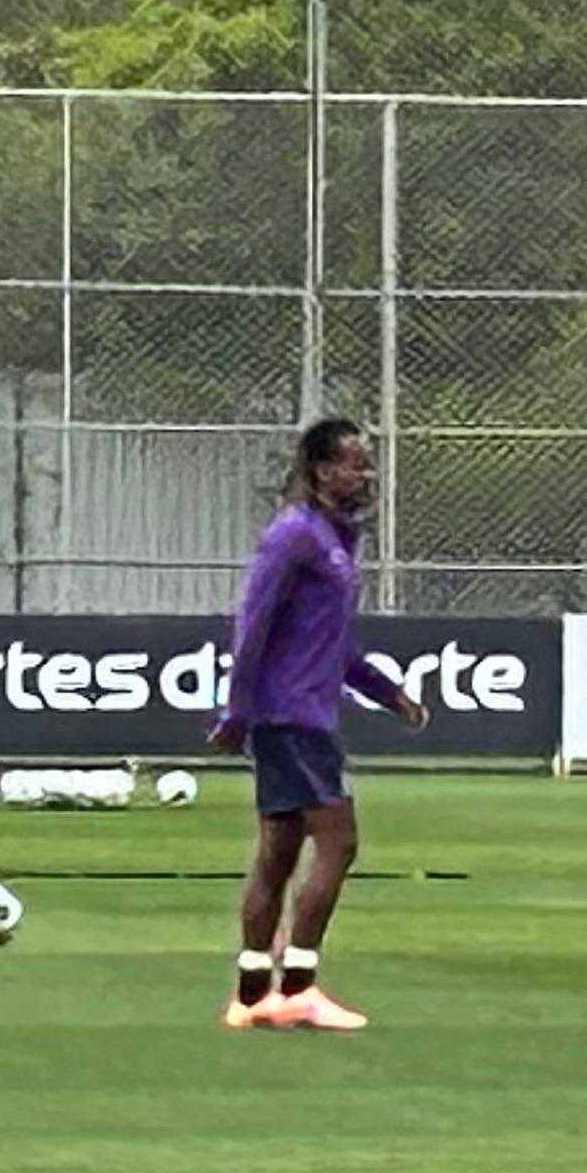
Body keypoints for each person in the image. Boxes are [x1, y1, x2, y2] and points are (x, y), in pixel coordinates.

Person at [208, 419, 428, 1032]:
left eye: (368, 463)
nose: (367, 475)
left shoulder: (333, 539)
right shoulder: (295, 535)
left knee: (279, 850)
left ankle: (253, 994)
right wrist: (237, 710)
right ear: (323, 470)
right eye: (356, 464)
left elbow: (334, 643)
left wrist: (389, 695)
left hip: (299, 711)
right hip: (294, 715)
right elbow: (253, 624)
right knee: (339, 841)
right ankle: (300, 987)